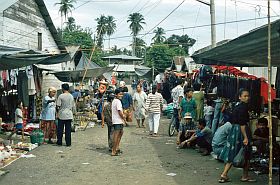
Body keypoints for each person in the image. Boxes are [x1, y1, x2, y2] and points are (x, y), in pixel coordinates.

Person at [218, 89, 256, 183]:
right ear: (240, 97)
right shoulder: (243, 108)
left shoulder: (237, 106)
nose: (247, 98)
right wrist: (246, 137)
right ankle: (244, 176)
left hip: (234, 131)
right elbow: (242, 124)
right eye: (245, 96)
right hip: (241, 131)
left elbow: (232, 119)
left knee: (233, 152)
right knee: (246, 152)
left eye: (248, 96)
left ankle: (224, 174)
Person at [111, 89, 125, 156]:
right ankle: (114, 150)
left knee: (120, 133)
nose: (121, 95)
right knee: (116, 136)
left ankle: (116, 148)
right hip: (117, 121)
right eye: (119, 94)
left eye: (121, 94)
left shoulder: (114, 101)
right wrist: (123, 117)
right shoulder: (117, 101)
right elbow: (119, 111)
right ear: (116, 94)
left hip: (116, 120)